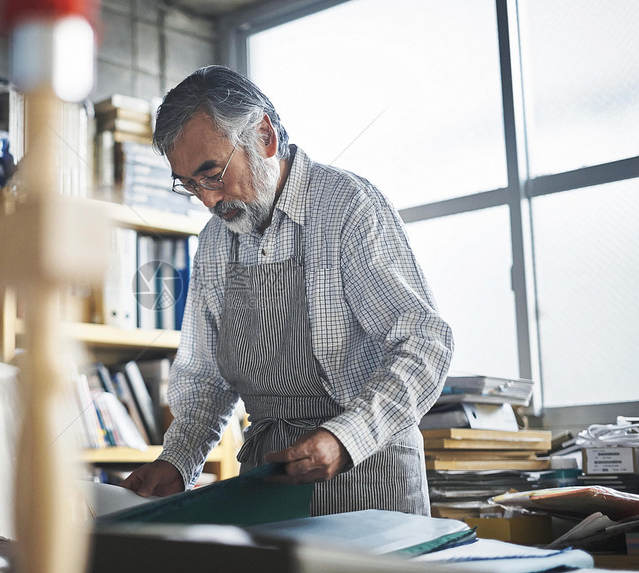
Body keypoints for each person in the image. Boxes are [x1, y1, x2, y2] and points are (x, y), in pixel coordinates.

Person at [119, 65, 454, 516]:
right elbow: (205, 381)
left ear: (264, 137)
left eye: (213, 174)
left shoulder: (348, 207)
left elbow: (426, 344)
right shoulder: (216, 241)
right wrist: (178, 461)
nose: (209, 201)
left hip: (369, 483)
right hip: (266, 485)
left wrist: (344, 438)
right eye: (191, 185)